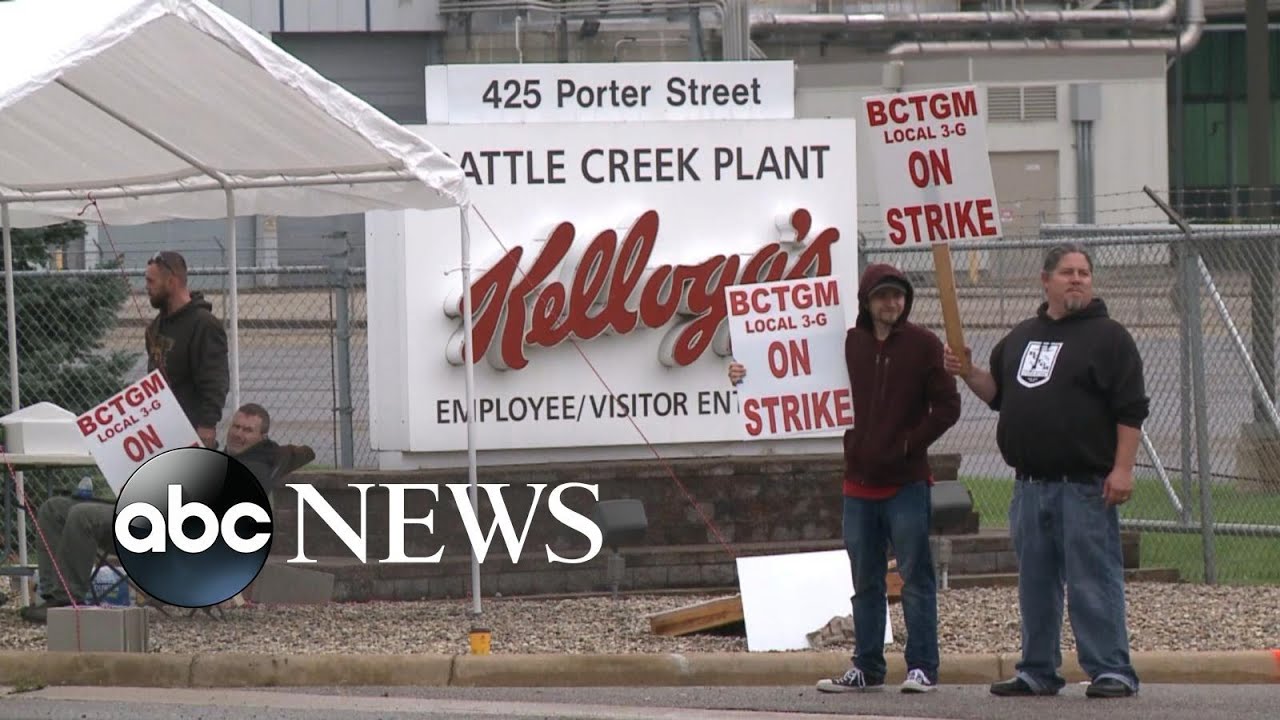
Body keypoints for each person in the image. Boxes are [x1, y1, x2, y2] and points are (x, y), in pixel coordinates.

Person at [729, 264, 961, 694]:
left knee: (916, 577)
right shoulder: (847, 343)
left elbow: (948, 406)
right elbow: (788, 373)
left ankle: (923, 667)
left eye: (898, 296)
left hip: (907, 484)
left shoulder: (924, 345)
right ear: (867, 302)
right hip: (858, 484)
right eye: (883, 296)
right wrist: (744, 375)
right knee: (864, 581)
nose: (892, 304)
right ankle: (867, 667)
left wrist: (910, 443)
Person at [942, 243, 1148, 700]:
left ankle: (1111, 670)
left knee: (1093, 581)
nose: (1077, 279)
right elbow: (996, 393)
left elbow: (1131, 411)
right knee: (1035, 585)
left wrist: (1122, 470)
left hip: (1086, 488)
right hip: (1030, 488)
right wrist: (968, 370)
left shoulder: (1110, 338)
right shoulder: (1020, 337)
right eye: (1067, 272)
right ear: (1045, 279)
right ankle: (1037, 670)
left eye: (1084, 273)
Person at [19, 404, 314, 622]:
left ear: (262, 437)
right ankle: (53, 596)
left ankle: (66, 605)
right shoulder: (223, 456)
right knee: (54, 508)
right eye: (236, 426)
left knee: (82, 515)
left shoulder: (255, 470)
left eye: (248, 430)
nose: (238, 434)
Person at [144, 250, 229, 449]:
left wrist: (207, 424)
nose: (146, 287)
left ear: (171, 282)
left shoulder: (204, 324)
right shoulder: (155, 326)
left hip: (193, 428)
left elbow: (215, 380)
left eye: (151, 281)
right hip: (162, 429)